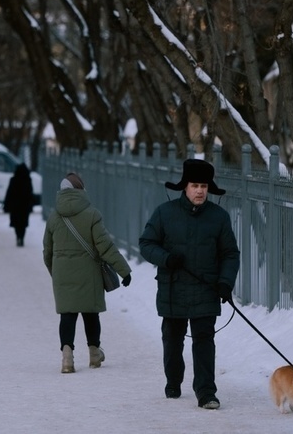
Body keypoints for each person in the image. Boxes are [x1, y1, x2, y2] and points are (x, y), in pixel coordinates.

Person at [139, 159, 240, 410]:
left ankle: (206, 392)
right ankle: (173, 379)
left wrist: (225, 282)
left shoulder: (219, 217)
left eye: (204, 186)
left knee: (204, 341)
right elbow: (146, 244)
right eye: (195, 185)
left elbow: (230, 253)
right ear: (185, 187)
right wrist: (166, 258)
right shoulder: (165, 213)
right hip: (173, 289)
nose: (199, 191)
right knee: (172, 341)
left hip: (206, 290)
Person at [43, 172, 132, 374]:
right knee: (91, 313)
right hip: (89, 273)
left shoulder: (54, 217)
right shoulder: (92, 214)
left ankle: (67, 356)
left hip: (62, 274)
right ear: (81, 190)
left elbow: (47, 251)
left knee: (67, 315)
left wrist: (55, 272)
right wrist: (123, 270)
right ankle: (94, 353)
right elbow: (105, 246)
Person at [3, 163, 34, 247]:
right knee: (23, 224)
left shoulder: (13, 179)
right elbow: (30, 194)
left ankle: (18, 237)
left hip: (15, 206)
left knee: (16, 224)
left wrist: (6, 205)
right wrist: (31, 206)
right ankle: (22, 238)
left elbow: (9, 193)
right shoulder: (28, 179)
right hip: (24, 206)